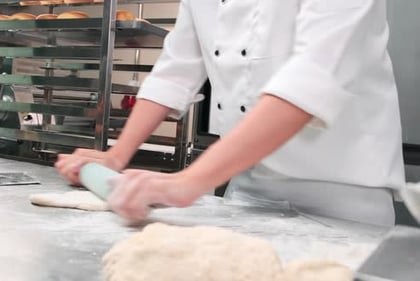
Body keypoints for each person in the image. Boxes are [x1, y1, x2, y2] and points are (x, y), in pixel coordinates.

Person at [55, 0, 405, 227]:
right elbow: (174, 72)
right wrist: (116, 156)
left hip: (343, 200)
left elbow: (311, 79)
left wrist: (189, 182)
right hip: (249, 190)